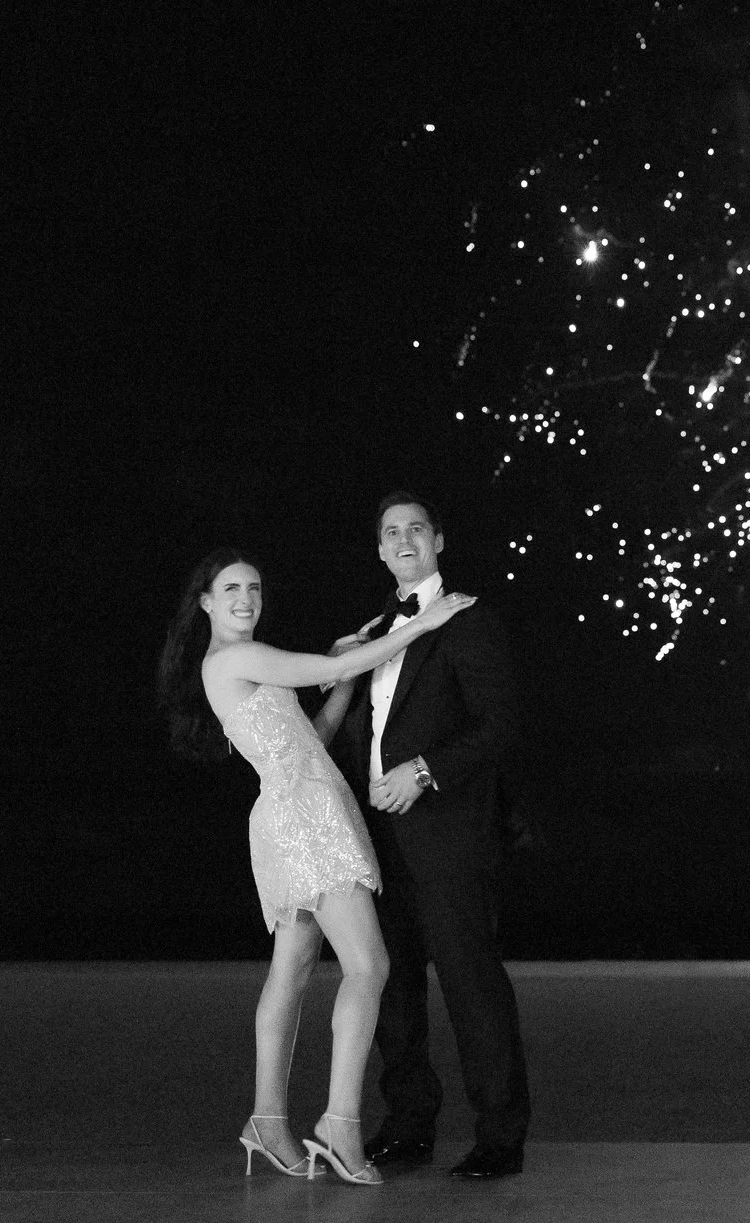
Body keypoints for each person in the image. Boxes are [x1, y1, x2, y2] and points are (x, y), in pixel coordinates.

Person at [155, 546, 475, 1183]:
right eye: (232, 589)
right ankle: (340, 1124)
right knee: (370, 964)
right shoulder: (236, 657)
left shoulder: (247, 664)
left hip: (297, 808)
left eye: (254, 587)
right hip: (306, 818)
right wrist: (421, 623)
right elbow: (343, 661)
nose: (247, 598)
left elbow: (315, 734)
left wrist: (344, 675)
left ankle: (268, 1121)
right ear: (207, 603)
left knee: (293, 971)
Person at [327, 492, 530, 1178]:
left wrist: (425, 769)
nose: (405, 538)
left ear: (438, 540)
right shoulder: (376, 629)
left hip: (447, 835)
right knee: (391, 985)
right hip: (377, 839)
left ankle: (500, 1136)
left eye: (417, 527)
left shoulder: (467, 620)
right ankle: (409, 1124)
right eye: (392, 531)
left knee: (470, 982)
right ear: (380, 549)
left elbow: (499, 725)